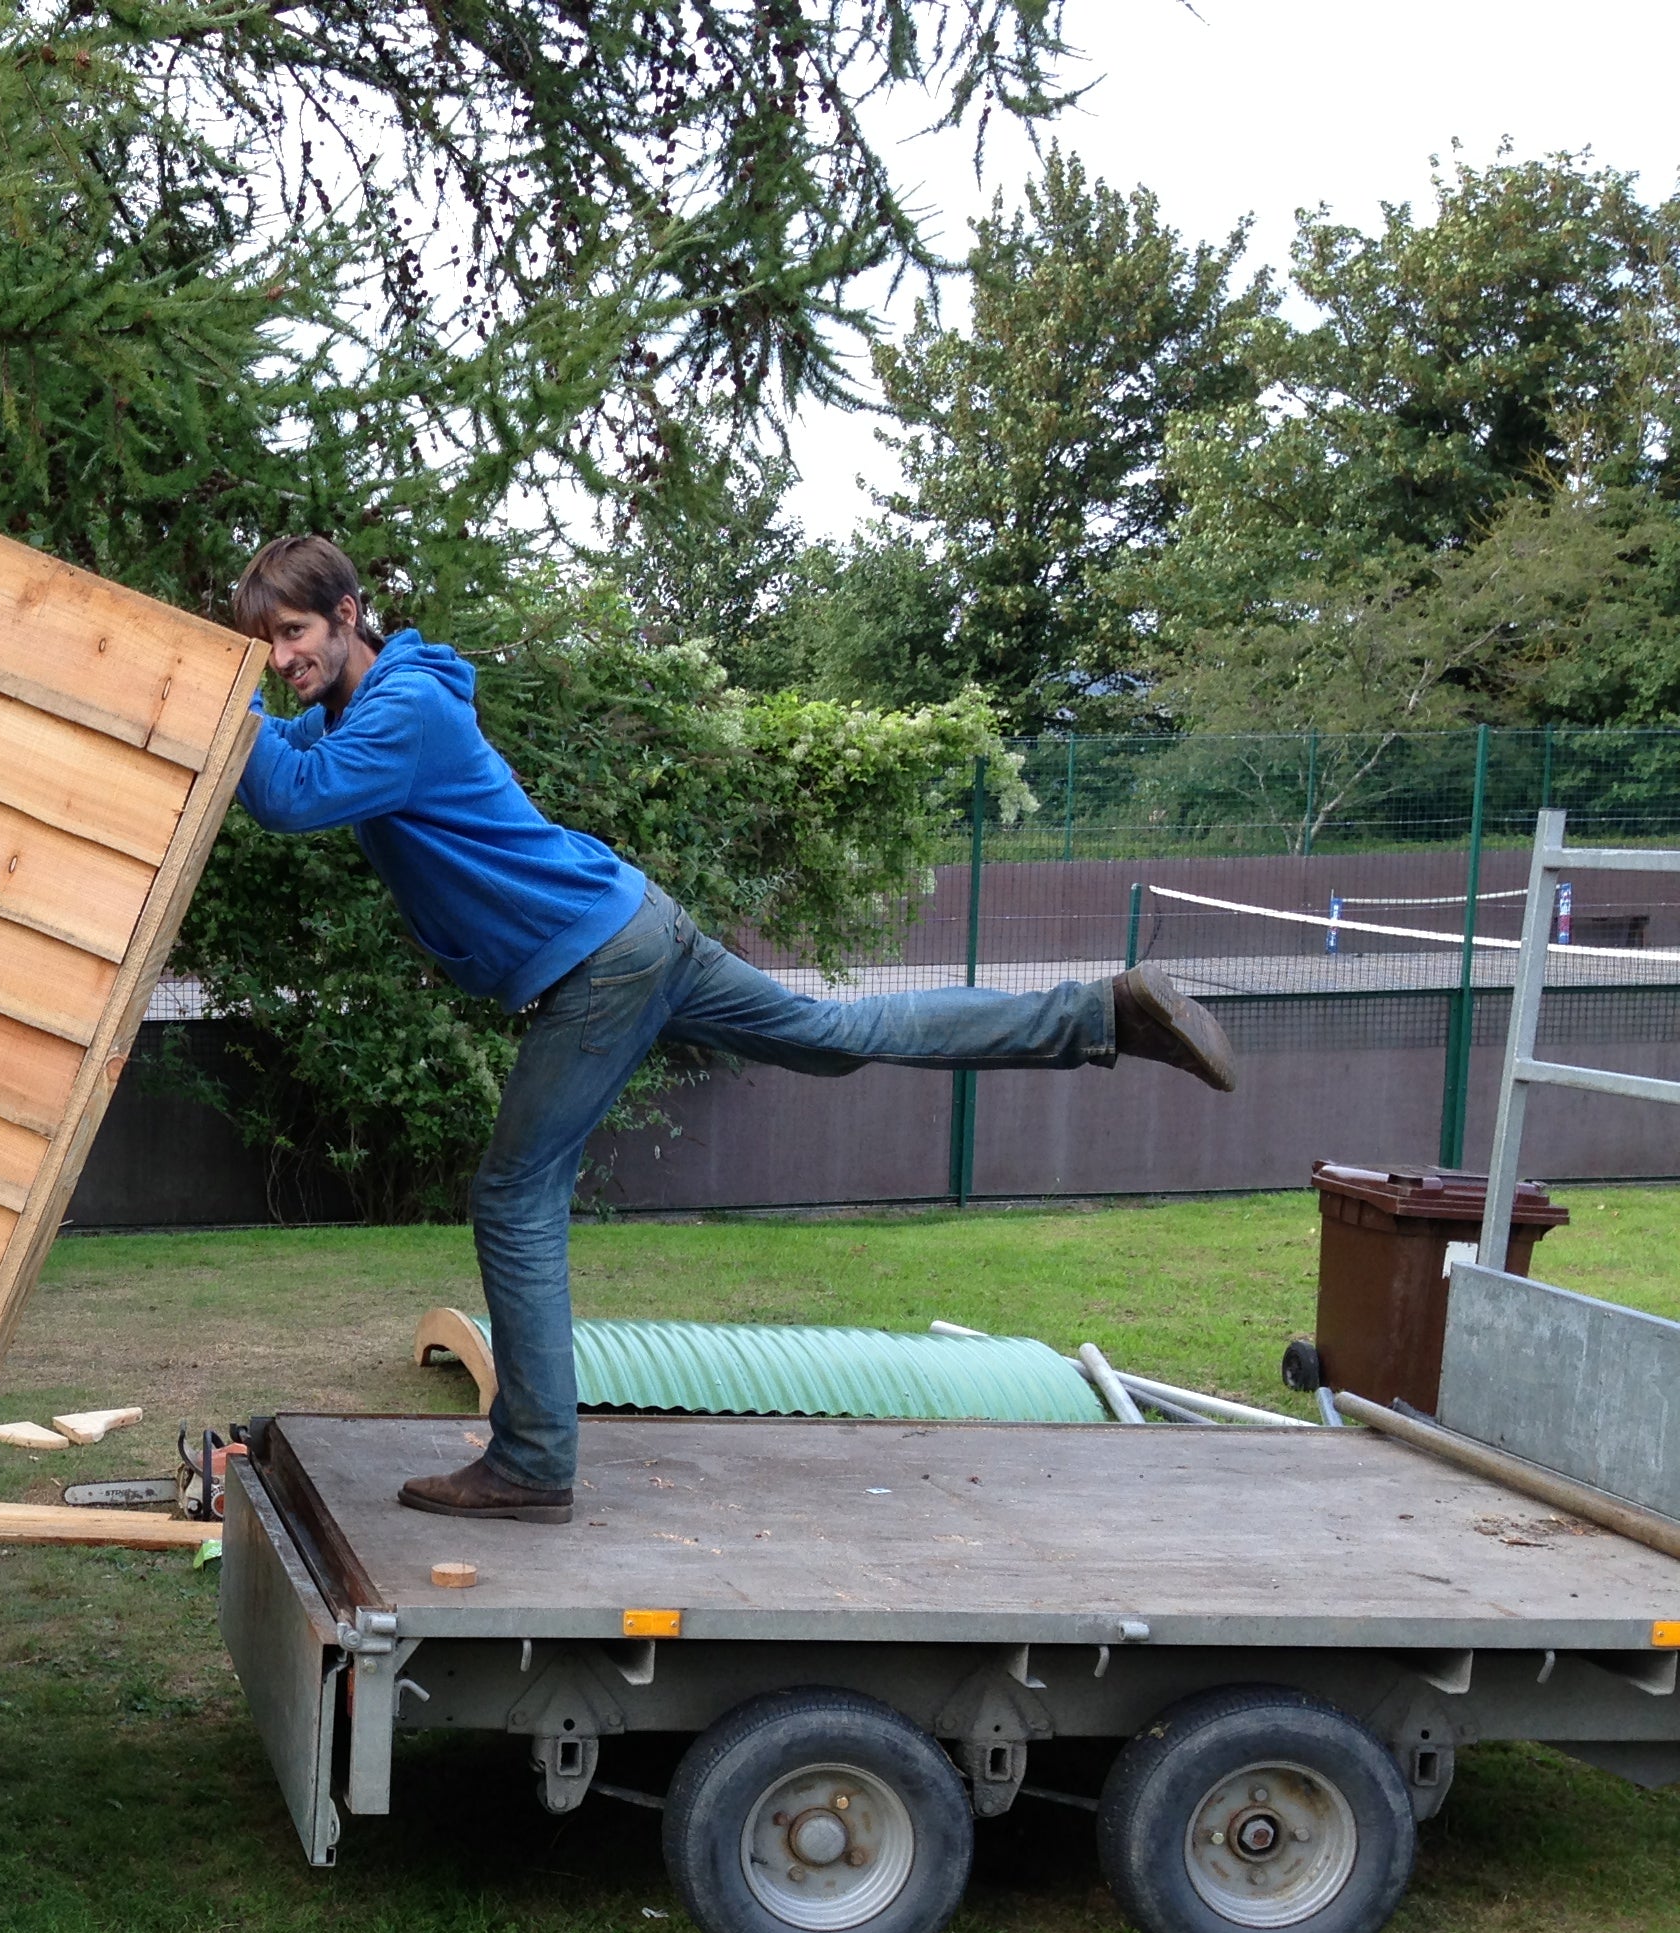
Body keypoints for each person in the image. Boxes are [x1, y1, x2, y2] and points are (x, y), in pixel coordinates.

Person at [227, 535, 1236, 1527]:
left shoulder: (401, 708)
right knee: (834, 1037)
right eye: (263, 643)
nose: (281, 659)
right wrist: (255, 702)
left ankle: (533, 1460)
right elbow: (295, 757)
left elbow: (283, 791)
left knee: (513, 1194)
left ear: (351, 616)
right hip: (635, 929)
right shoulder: (373, 705)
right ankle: (1105, 1013)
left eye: (294, 633)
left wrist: (219, 692)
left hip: (596, 964)